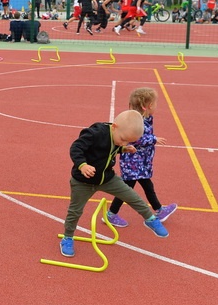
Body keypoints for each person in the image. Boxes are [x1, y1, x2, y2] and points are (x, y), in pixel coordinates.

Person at [59, 110, 169, 257]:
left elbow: (112, 148)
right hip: (83, 181)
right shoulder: (95, 133)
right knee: (75, 211)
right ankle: (67, 237)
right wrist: (82, 165)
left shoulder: (119, 136)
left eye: (128, 142)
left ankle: (150, 219)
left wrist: (123, 148)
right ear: (114, 127)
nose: (123, 142)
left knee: (132, 196)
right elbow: (76, 148)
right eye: (123, 140)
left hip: (107, 179)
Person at [104, 88, 177, 228]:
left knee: (131, 188)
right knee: (133, 188)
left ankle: (112, 214)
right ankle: (158, 210)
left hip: (140, 162)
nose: (156, 107)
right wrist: (154, 139)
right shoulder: (136, 122)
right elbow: (137, 138)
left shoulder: (143, 118)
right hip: (133, 163)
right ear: (149, 105)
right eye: (155, 104)